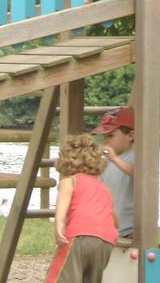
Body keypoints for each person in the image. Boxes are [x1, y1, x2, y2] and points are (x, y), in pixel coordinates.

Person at [46, 135, 118, 283]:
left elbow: (62, 207)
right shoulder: (104, 189)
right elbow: (115, 220)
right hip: (106, 242)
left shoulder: (70, 181)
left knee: (61, 277)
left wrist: (59, 225)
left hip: (80, 235)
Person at [92, 106, 135, 239]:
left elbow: (140, 174)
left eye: (111, 136)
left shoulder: (137, 156)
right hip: (106, 227)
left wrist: (115, 159)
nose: (106, 141)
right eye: (104, 137)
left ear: (130, 135)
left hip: (130, 229)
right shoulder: (105, 160)